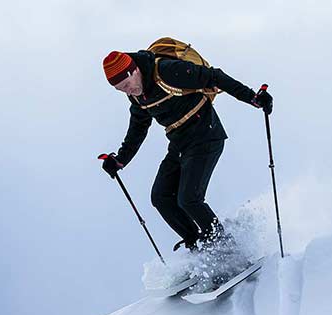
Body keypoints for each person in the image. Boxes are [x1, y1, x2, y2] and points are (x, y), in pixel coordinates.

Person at [99, 49, 272, 253]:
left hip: (206, 136)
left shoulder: (167, 71)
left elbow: (214, 77)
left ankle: (226, 250)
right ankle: (197, 246)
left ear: (134, 71)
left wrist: (252, 98)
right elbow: (138, 127)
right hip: (179, 144)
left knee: (189, 199)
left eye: (126, 85)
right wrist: (120, 160)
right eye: (121, 90)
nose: (128, 92)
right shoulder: (138, 96)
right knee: (160, 197)